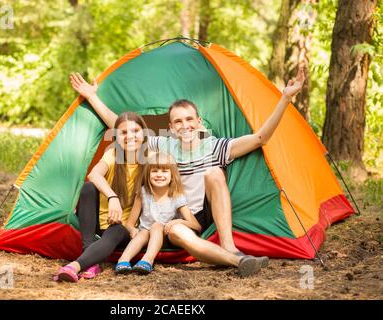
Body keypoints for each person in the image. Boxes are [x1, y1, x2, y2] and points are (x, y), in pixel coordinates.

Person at [69, 67, 305, 277]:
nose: (185, 126)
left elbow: (260, 138)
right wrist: (92, 96)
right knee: (180, 233)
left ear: (198, 121)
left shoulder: (215, 146)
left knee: (213, 173)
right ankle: (240, 262)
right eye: (178, 122)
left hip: (203, 211)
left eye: (189, 119)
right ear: (170, 127)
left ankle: (229, 246)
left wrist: (285, 98)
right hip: (176, 216)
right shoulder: (164, 145)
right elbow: (123, 127)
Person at [53, 111, 148, 282]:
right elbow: (94, 174)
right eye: (123, 132)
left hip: (123, 227)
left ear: (144, 133)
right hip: (98, 222)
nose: (130, 136)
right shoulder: (113, 154)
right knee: (88, 188)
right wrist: (113, 197)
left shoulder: (149, 160)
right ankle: (90, 257)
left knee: (116, 231)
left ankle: (75, 266)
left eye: (135, 131)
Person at [114, 152, 201, 274]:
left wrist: (179, 221)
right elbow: (129, 223)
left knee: (157, 225)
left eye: (164, 171)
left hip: (165, 237)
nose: (159, 175)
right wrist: (132, 230)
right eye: (155, 171)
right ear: (148, 174)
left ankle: (147, 260)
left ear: (172, 175)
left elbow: (196, 225)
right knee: (144, 231)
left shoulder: (176, 196)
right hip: (143, 237)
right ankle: (123, 260)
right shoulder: (143, 193)